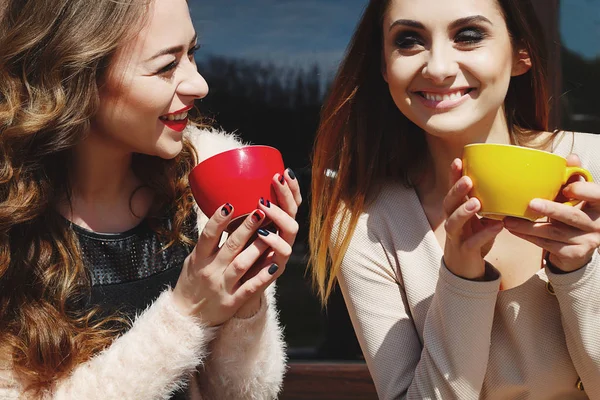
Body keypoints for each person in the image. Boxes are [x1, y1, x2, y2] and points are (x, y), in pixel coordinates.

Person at [0, 0, 301, 398]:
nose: (199, 84)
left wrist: (245, 298)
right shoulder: (11, 216)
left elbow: (245, 394)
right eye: (165, 66)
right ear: (75, 75)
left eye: (192, 53)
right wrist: (187, 313)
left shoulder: (206, 182)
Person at [309, 0, 600, 398]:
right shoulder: (367, 222)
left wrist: (581, 273)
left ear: (521, 53)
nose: (439, 67)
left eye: (468, 36)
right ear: (383, 67)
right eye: (409, 41)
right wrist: (462, 279)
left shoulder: (594, 170)